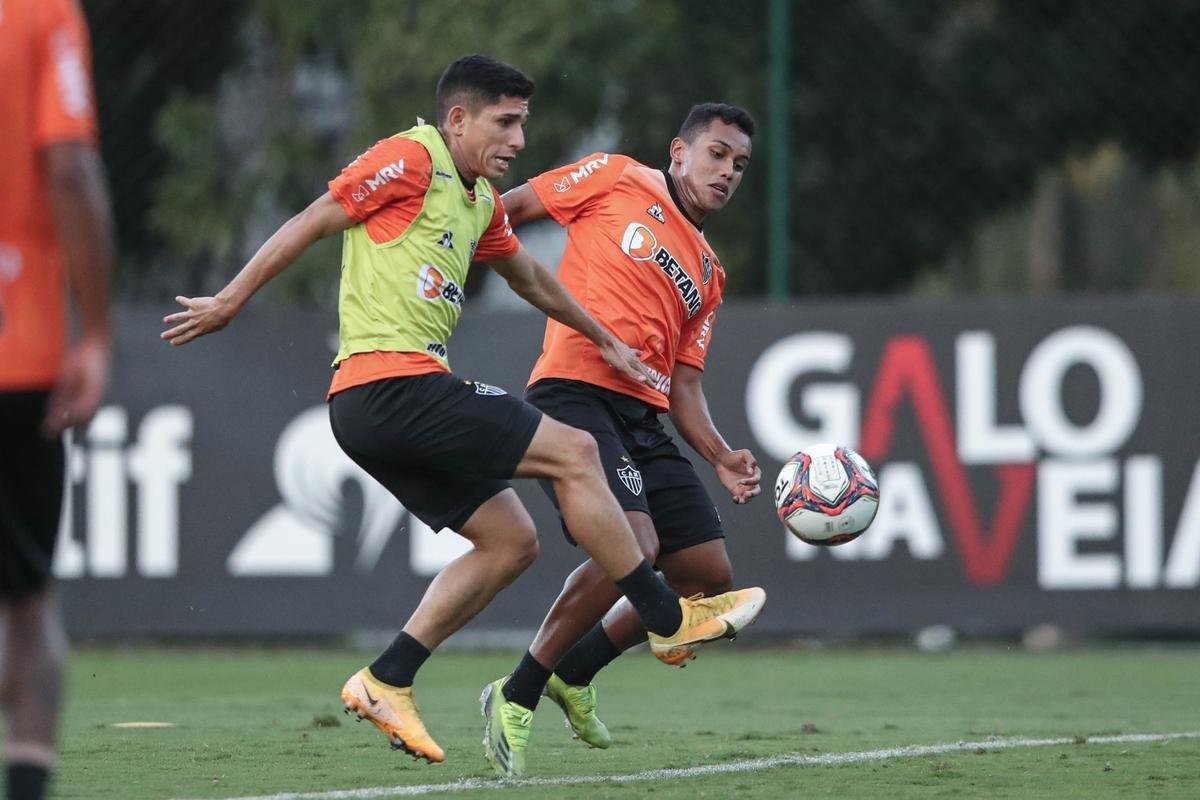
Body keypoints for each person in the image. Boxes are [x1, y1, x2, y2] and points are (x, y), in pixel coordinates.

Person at [161, 56, 765, 768]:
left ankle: (387, 677)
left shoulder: (478, 202)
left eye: (522, 124)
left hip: (388, 407)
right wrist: (231, 299)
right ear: (457, 119)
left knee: (511, 541)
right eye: (505, 123)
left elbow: (530, 276)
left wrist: (607, 337)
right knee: (574, 452)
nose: (517, 139)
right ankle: (664, 619)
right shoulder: (413, 155)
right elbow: (319, 215)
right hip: (387, 384)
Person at [479, 103, 761, 775]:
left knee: (705, 575)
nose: (727, 172)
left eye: (740, 165)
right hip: (573, 394)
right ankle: (514, 695)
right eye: (717, 154)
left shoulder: (710, 276)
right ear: (679, 151)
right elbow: (508, 210)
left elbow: (685, 389)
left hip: (643, 418)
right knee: (633, 547)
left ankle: (573, 673)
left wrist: (721, 454)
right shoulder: (616, 176)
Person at [0, 1, 115, 798]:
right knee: (28, 601)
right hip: (18, 347)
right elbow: (68, 164)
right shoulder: (41, 14)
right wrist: (97, 331)